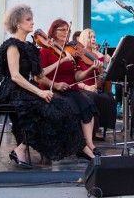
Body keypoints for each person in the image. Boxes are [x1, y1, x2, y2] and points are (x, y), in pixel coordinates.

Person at [0, 5, 93, 168]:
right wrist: (39, 91)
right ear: (18, 23)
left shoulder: (30, 47)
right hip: (13, 91)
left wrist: (60, 61)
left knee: (62, 107)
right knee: (45, 110)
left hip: (26, 89)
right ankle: (22, 149)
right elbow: (16, 76)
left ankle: (81, 148)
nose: (33, 23)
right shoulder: (12, 46)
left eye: (32, 19)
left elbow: (39, 74)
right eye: (28, 20)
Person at [38, 18, 101, 156]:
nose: (66, 32)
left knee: (87, 104)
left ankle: (89, 143)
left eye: (68, 30)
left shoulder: (70, 51)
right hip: (52, 89)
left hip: (71, 88)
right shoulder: (45, 51)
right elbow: (40, 76)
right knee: (70, 105)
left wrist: (90, 70)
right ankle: (75, 145)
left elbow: (77, 76)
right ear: (53, 31)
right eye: (62, 30)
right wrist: (55, 84)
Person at [76, 28, 116, 141]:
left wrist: (103, 66)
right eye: (90, 37)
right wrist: (86, 86)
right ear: (84, 38)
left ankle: (100, 128)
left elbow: (103, 77)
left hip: (95, 86)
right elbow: (75, 77)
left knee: (108, 96)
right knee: (93, 97)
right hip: (81, 87)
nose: (93, 39)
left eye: (94, 37)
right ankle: (94, 129)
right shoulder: (78, 55)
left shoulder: (98, 56)